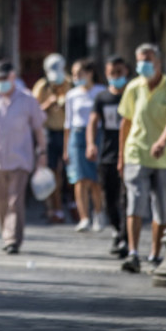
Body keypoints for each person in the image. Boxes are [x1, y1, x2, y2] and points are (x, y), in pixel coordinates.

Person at [0, 59, 45, 255]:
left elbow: (39, 128)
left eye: (4, 78)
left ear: (13, 77)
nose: (1, 81)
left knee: (15, 201)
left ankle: (12, 239)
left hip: (20, 159)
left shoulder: (27, 99)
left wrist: (43, 153)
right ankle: (6, 232)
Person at [118, 43, 166, 273]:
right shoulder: (133, 87)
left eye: (147, 60)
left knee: (162, 207)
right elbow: (126, 122)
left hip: (164, 157)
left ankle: (156, 253)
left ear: (158, 61)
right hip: (135, 153)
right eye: (139, 60)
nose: (143, 64)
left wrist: (162, 142)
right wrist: (121, 156)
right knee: (135, 202)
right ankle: (133, 253)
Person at [87, 55, 130, 257]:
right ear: (106, 74)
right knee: (110, 198)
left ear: (126, 72)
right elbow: (93, 121)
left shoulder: (131, 94)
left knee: (127, 198)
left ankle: (125, 237)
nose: (116, 76)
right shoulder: (102, 98)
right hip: (108, 154)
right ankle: (117, 229)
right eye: (112, 73)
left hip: (131, 154)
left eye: (119, 73)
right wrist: (90, 144)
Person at [64, 58, 107, 233]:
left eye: (79, 73)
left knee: (95, 179)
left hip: (98, 135)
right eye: (73, 74)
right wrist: (66, 148)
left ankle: (98, 213)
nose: (76, 77)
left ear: (90, 73)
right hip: (77, 135)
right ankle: (84, 217)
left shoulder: (101, 91)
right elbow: (68, 123)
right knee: (79, 179)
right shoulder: (72, 94)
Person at [33, 53, 72, 223]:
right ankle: (54, 208)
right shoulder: (42, 86)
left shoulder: (69, 83)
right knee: (52, 172)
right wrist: (48, 104)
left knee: (69, 172)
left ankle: (71, 203)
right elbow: (33, 112)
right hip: (48, 132)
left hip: (66, 132)